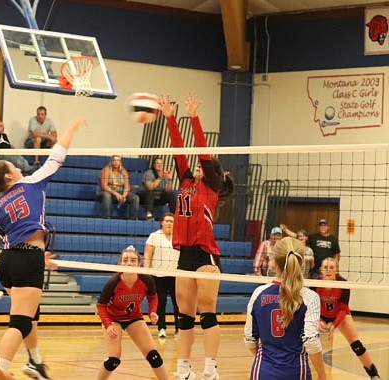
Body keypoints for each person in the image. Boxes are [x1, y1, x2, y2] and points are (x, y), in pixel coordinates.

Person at [0, 118, 86, 380]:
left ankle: (36, 363)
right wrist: (71, 128)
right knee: (19, 322)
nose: (18, 167)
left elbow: (12, 234)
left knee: (31, 313)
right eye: (13, 166)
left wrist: (42, 253)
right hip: (27, 260)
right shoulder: (31, 181)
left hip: (7, 262)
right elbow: (57, 156)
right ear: (9, 176)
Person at [160, 93, 234, 380]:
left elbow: (202, 151)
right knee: (185, 317)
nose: (200, 167)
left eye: (205, 166)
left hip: (206, 255)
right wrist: (170, 119)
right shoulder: (187, 181)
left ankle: (210, 368)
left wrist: (193, 117)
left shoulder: (212, 186)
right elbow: (180, 151)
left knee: (207, 314)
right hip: (185, 255)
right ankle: (183, 369)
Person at [244, 237, 327, 380]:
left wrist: (269, 359)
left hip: (263, 372)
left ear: (274, 263)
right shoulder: (309, 297)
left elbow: (249, 339)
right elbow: (311, 342)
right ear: (301, 264)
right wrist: (323, 375)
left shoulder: (258, 294)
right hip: (295, 372)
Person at [96, 246, 168, 380]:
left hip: (133, 318)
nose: (129, 263)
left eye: (133, 260)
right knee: (114, 360)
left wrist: (152, 311)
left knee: (154, 356)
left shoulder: (146, 279)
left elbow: (153, 297)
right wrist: (108, 325)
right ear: (120, 264)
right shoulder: (114, 282)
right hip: (113, 319)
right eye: (125, 260)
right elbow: (101, 305)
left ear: (139, 264)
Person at [315, 258, 381, 379]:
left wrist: (334, 325)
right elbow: (313, 305)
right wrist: (319, 319)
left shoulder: (343, 283)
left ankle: (374, 375)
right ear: (321, 270)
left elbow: (344, 308)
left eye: (331, 268)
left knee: (356, 344)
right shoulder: (315, 284)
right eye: (325, 267)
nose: (328, 270)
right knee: (308, 342)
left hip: (340, 314)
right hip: (321, 315)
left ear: (337, 271)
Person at [144, 213, 179, 338]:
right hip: (158, 275)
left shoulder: (179, 237)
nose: (170, 223)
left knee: (178, 303)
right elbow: (148, 256)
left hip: (176, 275)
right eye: (167, 221)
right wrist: (146, 273)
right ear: (162, 222)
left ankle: (179, 329)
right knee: (161, 302)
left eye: (172, 221)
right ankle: (162, 328)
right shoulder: (154, 236)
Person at [98, 155, 140, 220]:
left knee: (135, 198)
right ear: (111, 161)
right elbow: (104, 186)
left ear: (120, 162)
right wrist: (116, 194)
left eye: (118, 160)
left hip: (120, 192)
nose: (116, 162)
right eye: (114, 160)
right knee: (107, 196)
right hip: (106, 192)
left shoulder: (124, 171)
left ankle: (133, 219)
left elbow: (127, 186)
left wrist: (124, 196)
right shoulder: (106, 170)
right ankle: (106, 218)